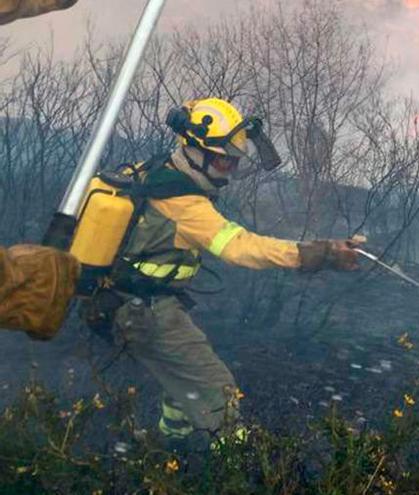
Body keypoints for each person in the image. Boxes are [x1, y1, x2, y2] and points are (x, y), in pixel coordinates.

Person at [97, 97, 359, 445]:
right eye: (222, 160)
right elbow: (241, 248)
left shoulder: (156, 171)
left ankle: (170, 445)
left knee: (184, 377)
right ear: (194, 150)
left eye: (233, 162)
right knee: (219, 392)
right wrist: (320, 254)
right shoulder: (185, 205)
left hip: (124, 300)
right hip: (143, 311)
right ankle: (233, 468)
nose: (228, 171)